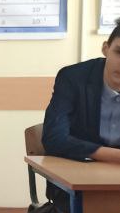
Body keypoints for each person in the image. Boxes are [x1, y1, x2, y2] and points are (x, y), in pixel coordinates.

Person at [42, 19, 120, 164]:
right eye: (119, 52)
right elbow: (53, 138)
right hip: (77, 170)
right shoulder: (72, 78)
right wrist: (114, 156)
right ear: (106, 49)